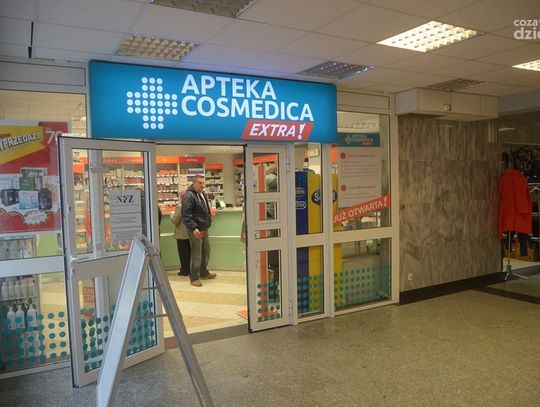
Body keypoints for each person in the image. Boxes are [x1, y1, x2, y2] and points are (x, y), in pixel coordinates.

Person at [182, 175, 216, 287]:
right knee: (196, 254)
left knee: (206, 251)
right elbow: (186, 215)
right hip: (196, 228)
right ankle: (194, 278)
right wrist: (193, 228)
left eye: (203, 183)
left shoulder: (202, 194)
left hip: (204, 227)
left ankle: (204, 272)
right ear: (194, 183)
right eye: (200, 183)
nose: (203, 185)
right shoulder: (189, 196)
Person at [170, 190, 191, 276]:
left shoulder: (180, 206)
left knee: (183, 253)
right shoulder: (191, 204)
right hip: (190, 233)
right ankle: (190, 269)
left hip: (182, 233)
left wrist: (171, 214)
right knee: (189, 252)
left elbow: (175, 220)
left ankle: (184, 270)